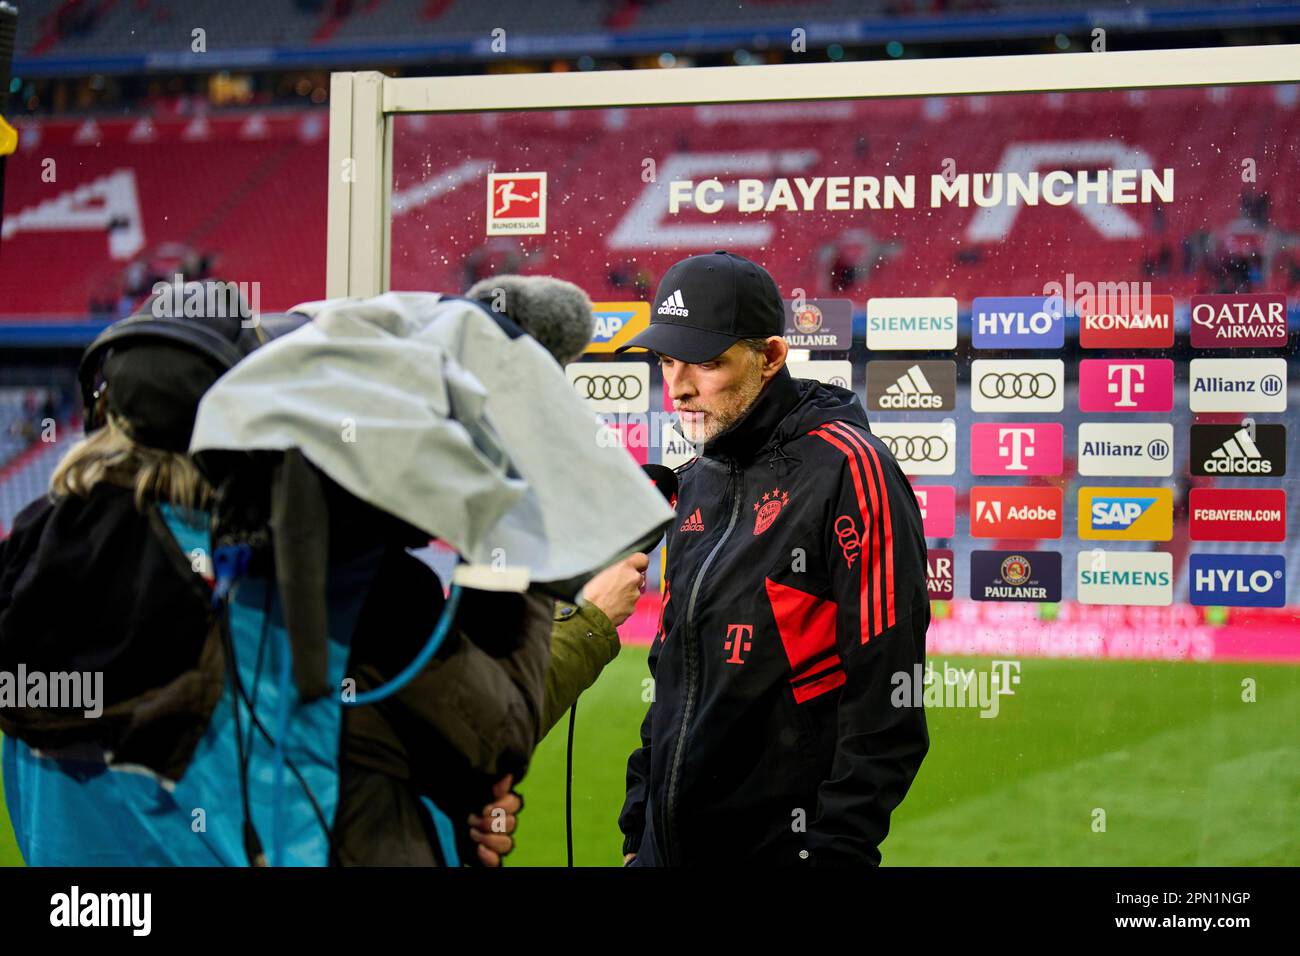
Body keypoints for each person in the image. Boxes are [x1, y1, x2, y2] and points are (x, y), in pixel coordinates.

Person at [613, 251, 930, 866]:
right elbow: (672, 676)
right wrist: (636, 837)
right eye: (667, 361)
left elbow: (889, 698)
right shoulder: (696, 477)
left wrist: (835, 852)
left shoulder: (850, 469)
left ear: (771, 357)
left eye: (705, 363)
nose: (677, 387)